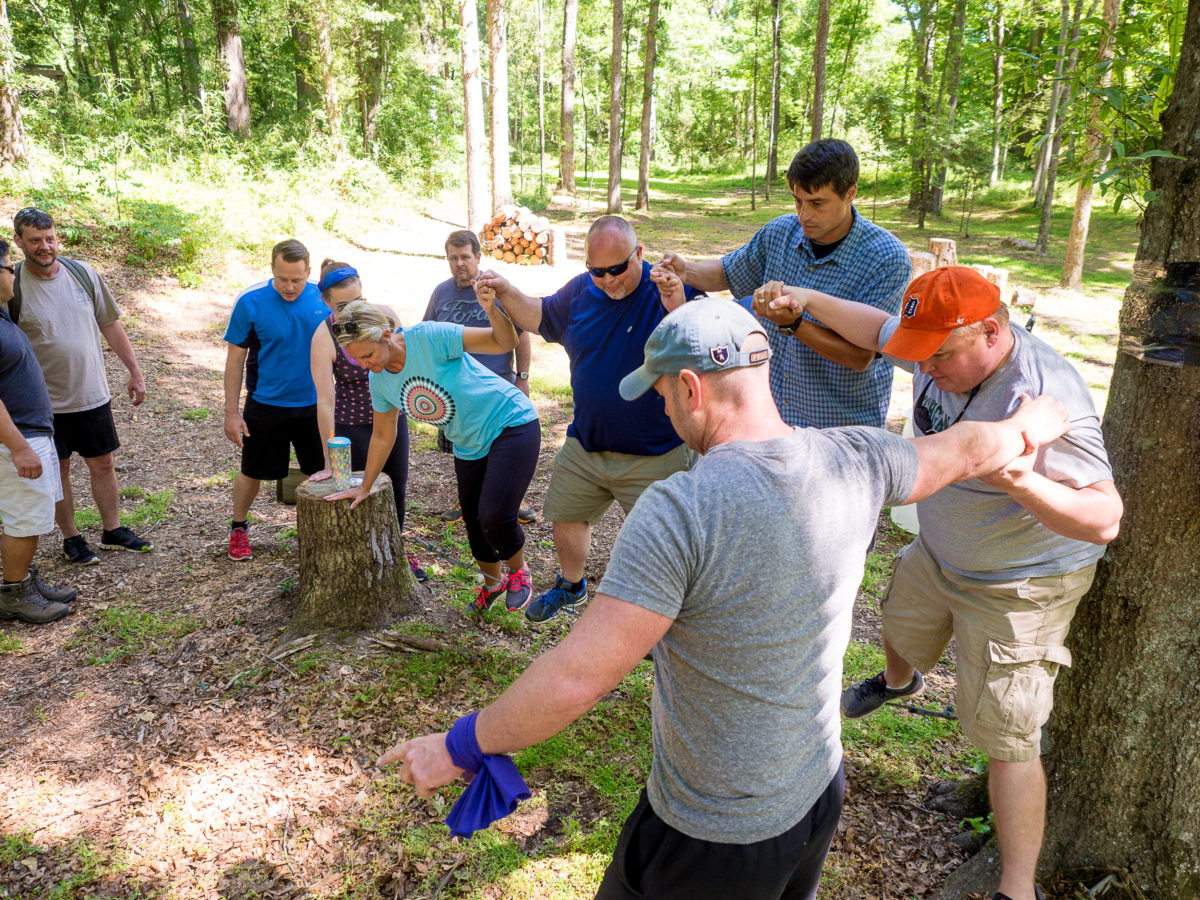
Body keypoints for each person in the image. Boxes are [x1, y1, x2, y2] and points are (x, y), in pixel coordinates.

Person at [379, 296, 1077, 900]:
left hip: (712, 831)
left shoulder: (680, 509)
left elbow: (579, 677)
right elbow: (961, 449)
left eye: (659, 391)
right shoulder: (858, 457)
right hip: (815, 794)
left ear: (691, 388)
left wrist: (461, 745)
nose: (659, 403)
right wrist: (1028, 427)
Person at [756, 267, 1122, 900]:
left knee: (1008, 735)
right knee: (897, 618)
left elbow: (1106, 518)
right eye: (920, 354)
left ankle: (1016, 887)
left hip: (1019, 585)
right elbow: (875, 328)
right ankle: (901, 681)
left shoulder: (1040, 395)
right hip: (941, 552)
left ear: (992, 330)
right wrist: (808, 299)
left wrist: (1019, 480)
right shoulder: (937, 339)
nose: (927, 370)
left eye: (941, 356)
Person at [473, 215, 699, 625]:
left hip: (656, 447)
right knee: (566, 515)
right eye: (598, 271)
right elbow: (540, 316)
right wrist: (506, 290)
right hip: (587, 442)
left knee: (659, 539)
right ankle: (571, 586)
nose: (609, 280)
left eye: (618, 268)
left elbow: (705, 341)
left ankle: (661, 614)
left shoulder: (667, 287)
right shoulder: (581, 292)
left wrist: (678, 305)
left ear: (640, 254)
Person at [661, 139, 912, 428]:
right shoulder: (780, 232)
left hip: (839, 433)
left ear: (850, 193)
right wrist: (687, 271)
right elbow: (728, 272)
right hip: (771, 422)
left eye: (817, 203)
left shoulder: (885, 258)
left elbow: (860, 356)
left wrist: (794, 325)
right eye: (797, 200)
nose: (804, 215)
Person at [326, 299, 540, 613]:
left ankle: (519, 573)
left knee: (494, 514)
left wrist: (492, 308)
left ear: (386, 335)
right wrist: (364, 485)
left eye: (368, 355)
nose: (363, 365)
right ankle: (493, 584)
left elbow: (503, 341)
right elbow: (384, 435)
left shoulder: (428, 337)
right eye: (357, 359)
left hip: (511, 421)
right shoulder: (379, 379)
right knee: (473, 521)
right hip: (468, 443)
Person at [10, 207, 152, 565]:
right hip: (43, 404)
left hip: (91, 393)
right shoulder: (11, 286)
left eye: (49, 238)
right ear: (19, 242)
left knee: (103, 463)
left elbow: (110, 324)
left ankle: (113, 530)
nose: (44, 247)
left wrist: (134, 370)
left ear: (57, 237)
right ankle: (72, 537)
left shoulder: (82, 274)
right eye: (35, 241)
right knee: (58, 471)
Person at [308, 259, 426, 581]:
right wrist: (330, 457)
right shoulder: (324, 337)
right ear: (326, 303)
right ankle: (364, 565)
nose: (351, 311)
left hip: (390, 421)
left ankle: (397, 555)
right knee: (360, 494)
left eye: (358, 302)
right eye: (343, 305)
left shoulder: (385, 316)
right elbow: (325, 401)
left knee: (395, 490)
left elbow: (407, 360)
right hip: (352, 426)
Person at [222, 239, 329, 561]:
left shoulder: (324, 299)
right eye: (282, 279)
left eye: (296, 279)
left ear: (309, 272)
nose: (289, 286)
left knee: (323, 472)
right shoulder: (251, 301)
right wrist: (230, 411)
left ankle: (323, 535)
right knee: (252, 471)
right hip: (266, 404)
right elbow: (234, 360)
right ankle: (238, 528)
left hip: (316, 406)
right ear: (272, 270)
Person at [424, 230, 536, 526]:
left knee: (502, 446)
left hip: (496, 387)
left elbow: (522, 337)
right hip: (456, 390)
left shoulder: (496, 290)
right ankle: (466, 498)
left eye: (465, 257)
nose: (459, 263)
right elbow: (427, 335)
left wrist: (522, 378)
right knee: (465, 448)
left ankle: (514, 498)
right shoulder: (440, 293)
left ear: (478, 257)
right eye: (453, 258)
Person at [0, 237, 77, 623]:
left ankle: (26, 581)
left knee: (32, 515)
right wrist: (18, 447)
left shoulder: (1, 315)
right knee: (23, 518)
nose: (12, 272)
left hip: (31, 433)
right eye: (6, 266)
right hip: (16, 440)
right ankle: (14, 593)